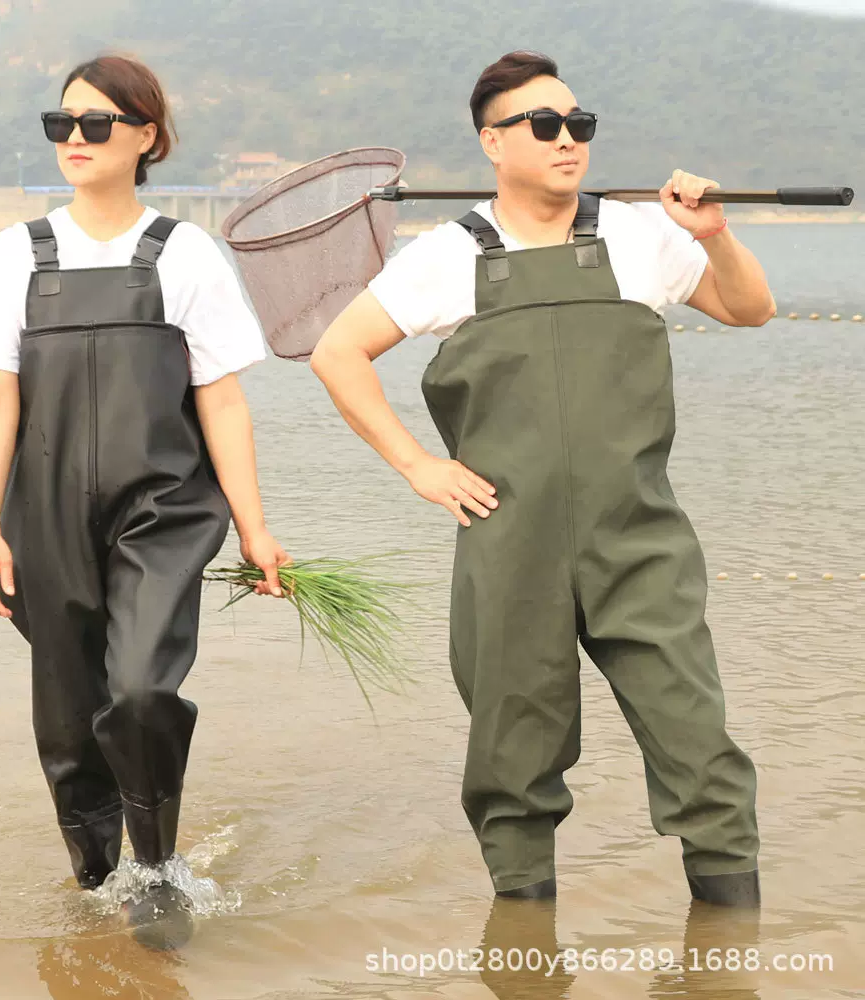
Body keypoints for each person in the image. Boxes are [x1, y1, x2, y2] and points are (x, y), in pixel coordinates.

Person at [310, 50, 773, 908]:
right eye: (546, 126)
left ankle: (731, 952)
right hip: (508, 541)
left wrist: (716, 235)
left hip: (639, 536)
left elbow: (749, 309)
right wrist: (418, 465)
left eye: (580, 125)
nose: (570, 141)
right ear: (493, 142)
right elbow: (339, 354)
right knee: (513, 759)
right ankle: (525, 947)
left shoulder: (641, 236)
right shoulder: (446, 256)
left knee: (697, 739)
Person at [0, 54, 290, 943]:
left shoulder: (184, 253)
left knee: (138, 691)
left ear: (146, 136)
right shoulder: (15, 253)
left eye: (97, 123)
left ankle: (158, 865)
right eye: (62, 123)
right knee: (66, 717)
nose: (75, 139)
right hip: (44, 515)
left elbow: (219, 396)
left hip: (163, 510)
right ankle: (98, 882)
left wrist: (254, 528)